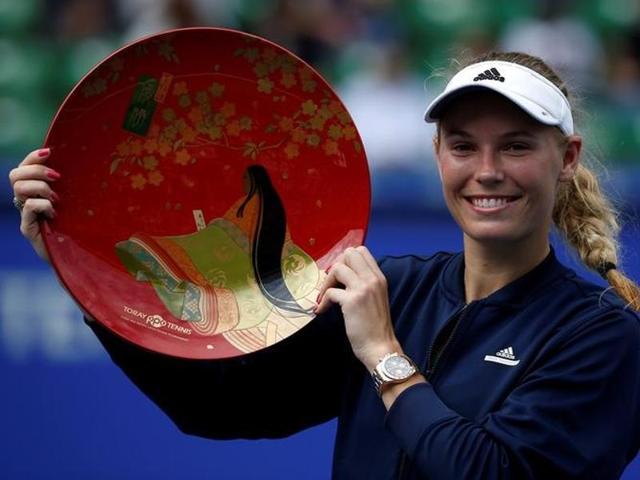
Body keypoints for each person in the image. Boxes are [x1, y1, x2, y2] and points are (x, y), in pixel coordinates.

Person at [10, 51, 640, 479]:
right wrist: (91, 277)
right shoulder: (394, 285)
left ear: (567, 158)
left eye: (517, 146)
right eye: (463, 146)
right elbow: (223, 410)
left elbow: (488, 471)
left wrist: (384, 356)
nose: (487, 172)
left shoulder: (602, 336)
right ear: (438, 155)